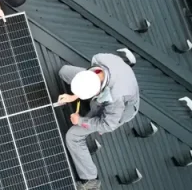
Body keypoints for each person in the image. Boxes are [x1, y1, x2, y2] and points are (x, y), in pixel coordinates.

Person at [56, 51, 140, 190]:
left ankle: (91, 180)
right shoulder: (99, 59)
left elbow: (107, 125)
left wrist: (80, 121)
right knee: (64, 72)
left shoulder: (115, 98)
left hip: (120, 110)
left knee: (73, 136)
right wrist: (73, 96)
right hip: (114, 79)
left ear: (97, 92)